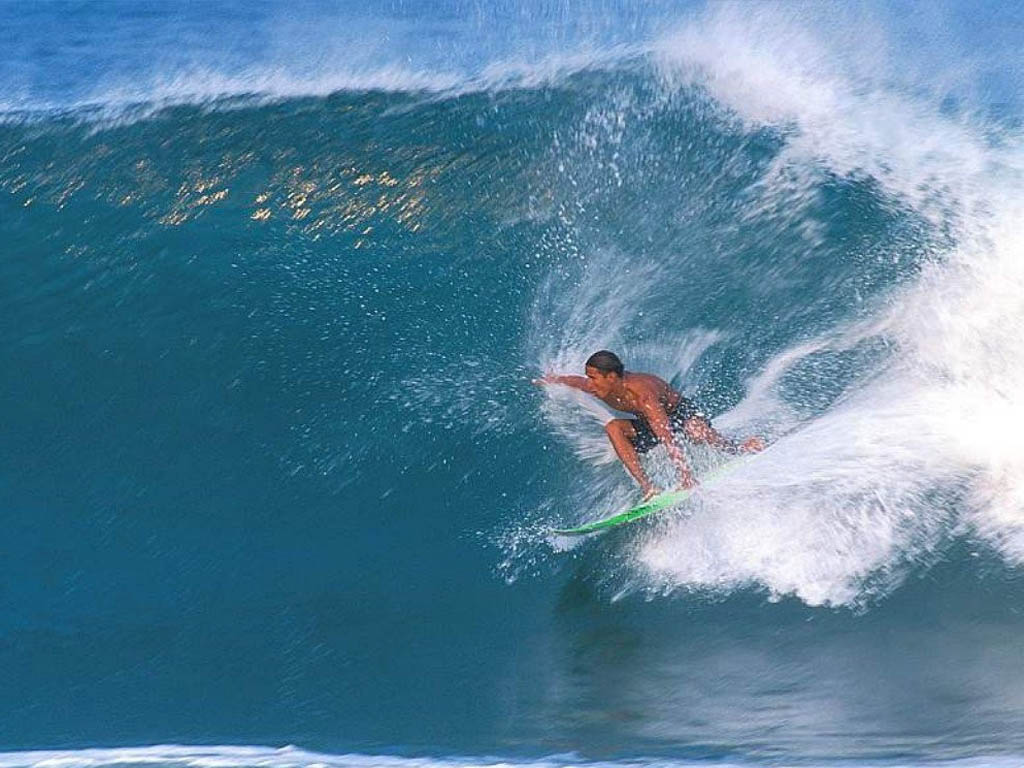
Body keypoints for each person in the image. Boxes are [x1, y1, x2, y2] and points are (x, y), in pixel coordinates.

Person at [535, 350, 764, 500]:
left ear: (612, 377)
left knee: (695, 432)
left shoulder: (642, 393)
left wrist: (685, 474)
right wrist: (554, 379)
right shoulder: (599, 386)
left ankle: (739, 448)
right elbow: (576, 381)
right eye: (589, 377)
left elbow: (666, 435)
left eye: (594, 377)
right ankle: (648, 487)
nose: (590, 384)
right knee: (613, 427)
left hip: (679, 414)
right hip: (648, 421)